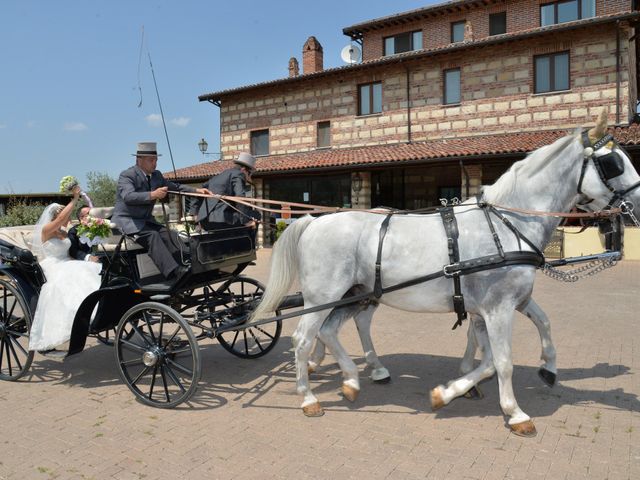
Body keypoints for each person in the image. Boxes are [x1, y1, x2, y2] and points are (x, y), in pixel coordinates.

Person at [111, 142, 212, 281]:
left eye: (156, 160)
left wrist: (196, 190)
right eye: (151, 160)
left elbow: (173, 187)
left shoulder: (157, 176)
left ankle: (191, 262)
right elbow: (128, 197)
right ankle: (174, 273)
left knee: (170, 233)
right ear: (139, 160)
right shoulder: (127, 175)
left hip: (145, 222)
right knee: (153, 236)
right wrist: (153, 195)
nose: (155, 163)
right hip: (127, 222)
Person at [29, 187, 103, 352]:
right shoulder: (47, 230)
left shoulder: (64, 231)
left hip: (67, 263)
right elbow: (62, 217)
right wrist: (75, 198)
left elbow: (73, 250)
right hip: (53, 266)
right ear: (56, 217)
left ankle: (98, 310)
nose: (68, 219)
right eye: (65, 216)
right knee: (72, 279)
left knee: (92, 270)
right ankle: (79, 318)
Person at [192, 152, 261, 235]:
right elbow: (240, 197)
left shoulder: (219, 176)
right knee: (256, 214)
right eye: (249, 173)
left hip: (205, 221)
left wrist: (195, 214)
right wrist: (246, 221)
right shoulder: (239, 174)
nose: (249, 177)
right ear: (243, 169)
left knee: (246, 213)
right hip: (222, 220)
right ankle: (249, 245)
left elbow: (199, 191)